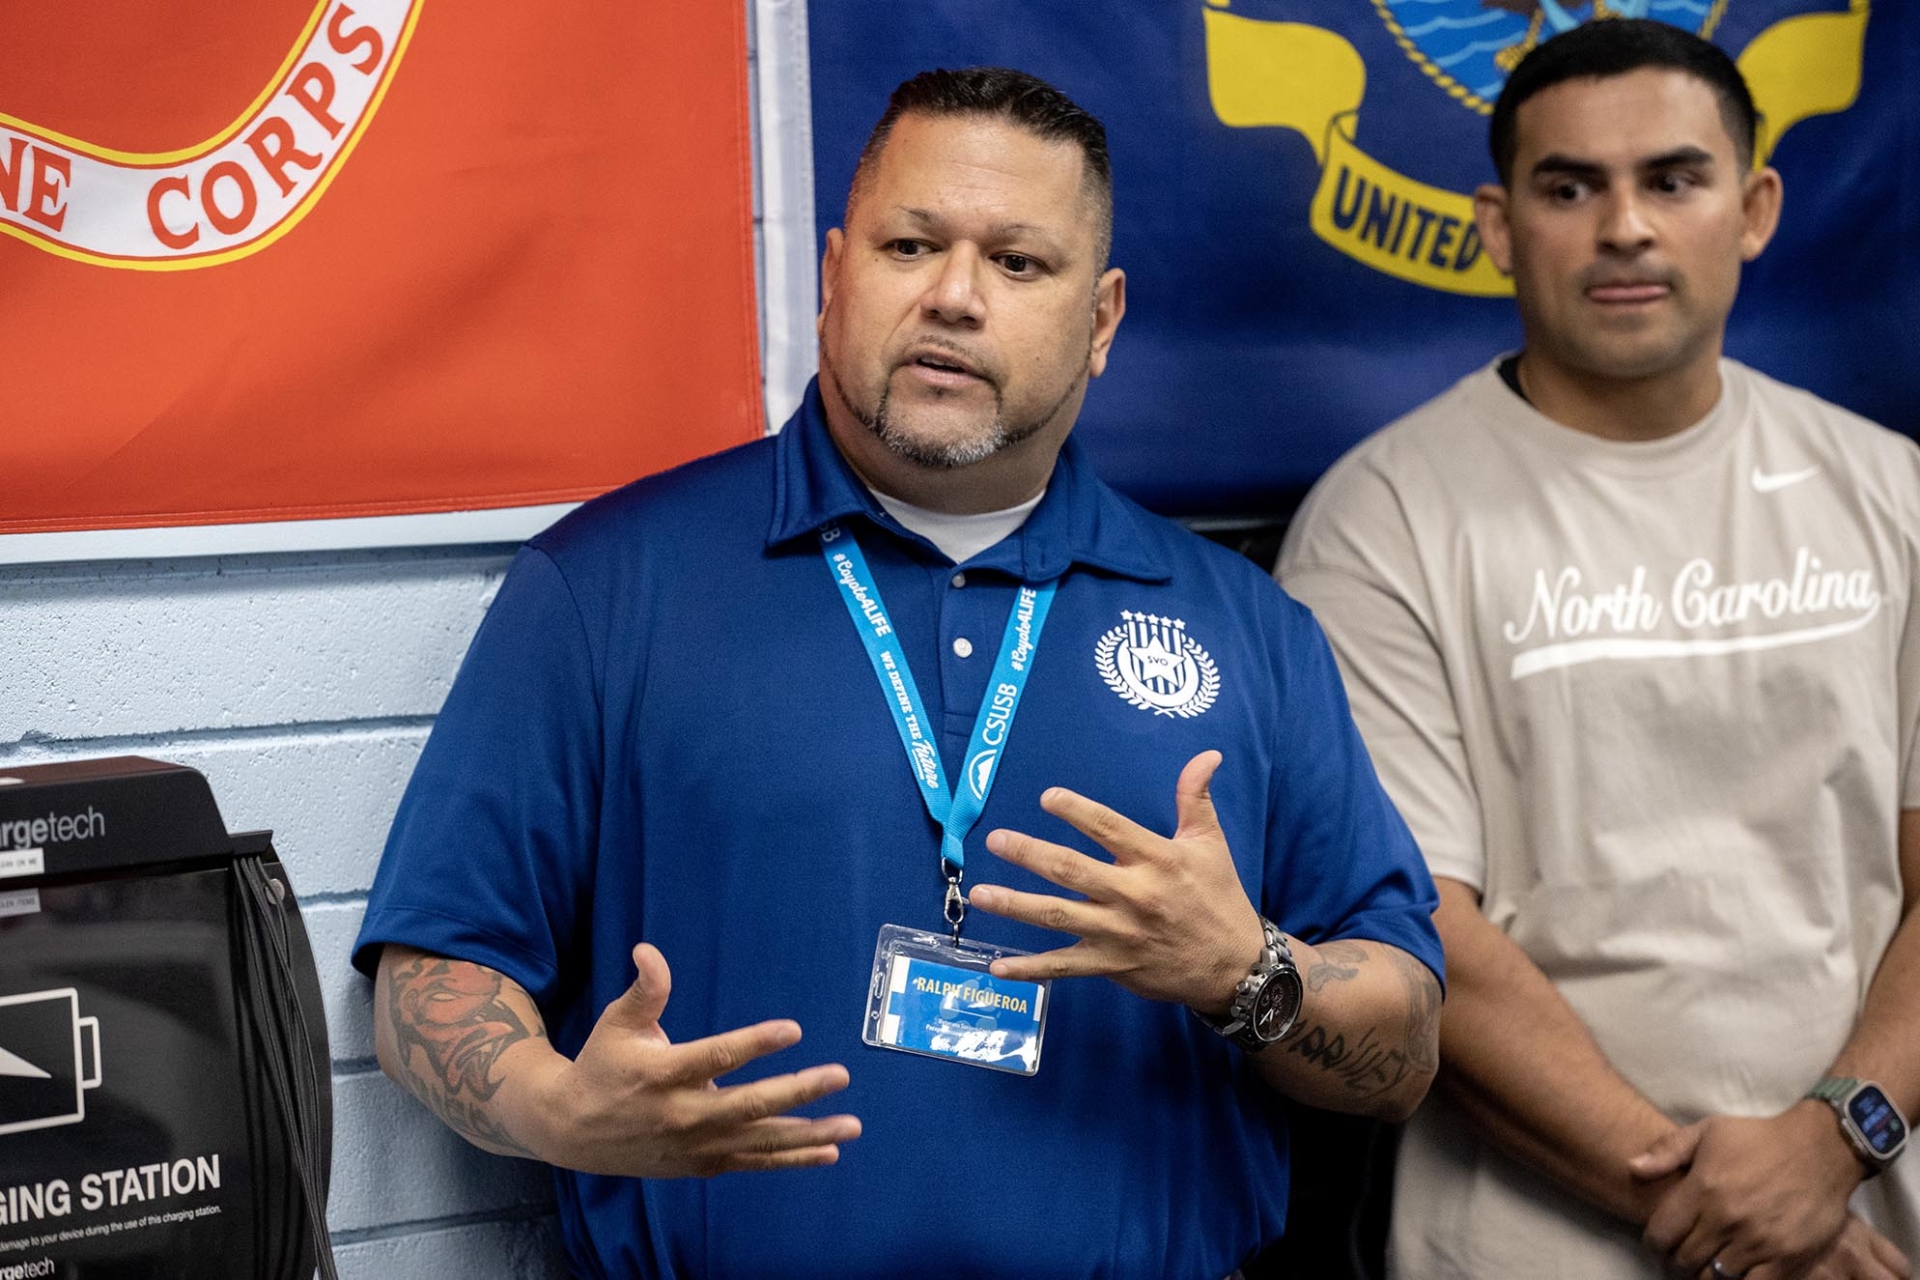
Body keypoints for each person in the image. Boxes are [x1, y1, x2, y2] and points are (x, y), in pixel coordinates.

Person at [353, 67, 1444, 1279]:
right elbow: (432, 967)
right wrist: (559, 1108)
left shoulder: (1246, 627)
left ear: (1102, 319)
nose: (955, 297)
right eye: (910, 243)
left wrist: (1248, 973)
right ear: (834, 272)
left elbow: (1407, 1042)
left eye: (1019, 263)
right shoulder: (607, 587)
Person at [1277, 19, 1919, 1280]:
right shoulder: (1382, 520)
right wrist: (1746, 1213)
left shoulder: (1895, 492)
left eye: (1672, 179)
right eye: (1570, 188)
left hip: (1869, 1225)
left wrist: (1837, 1140)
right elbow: (1422, 937)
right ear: (1499, 224)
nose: (1625, 226)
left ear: (1755, 207)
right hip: (1535, 1246)